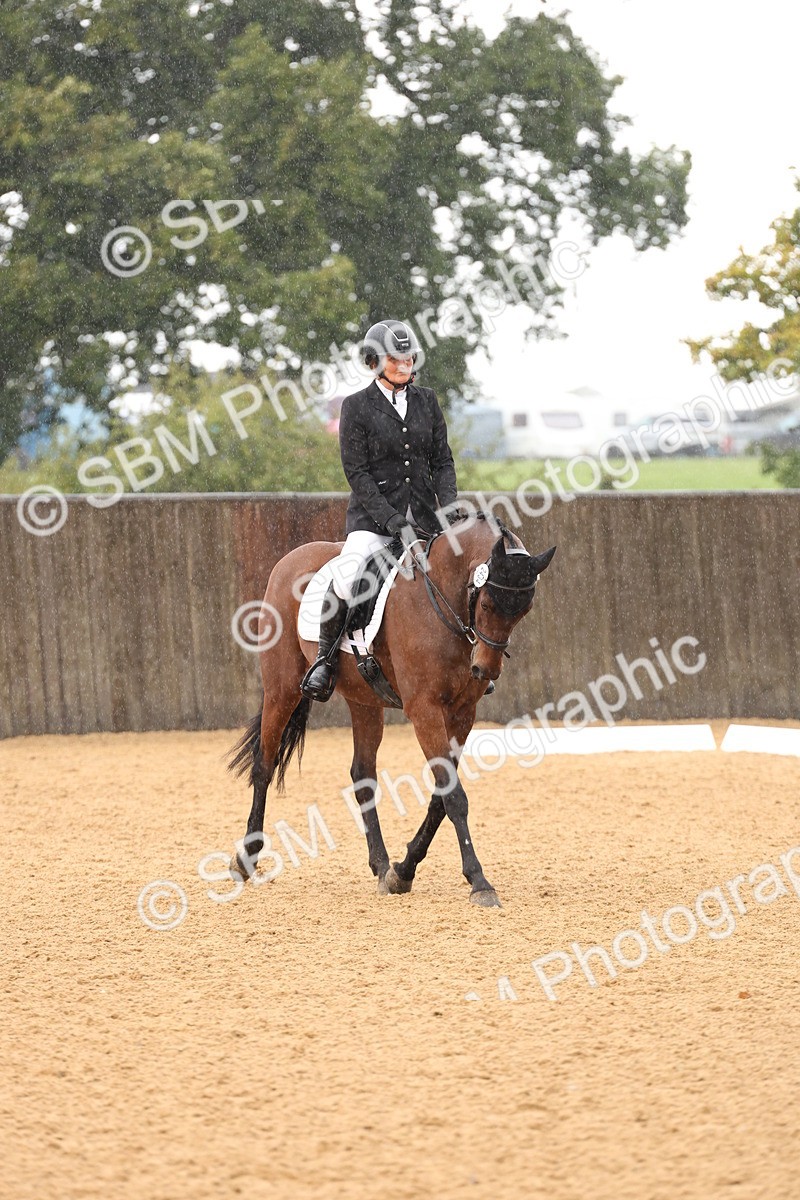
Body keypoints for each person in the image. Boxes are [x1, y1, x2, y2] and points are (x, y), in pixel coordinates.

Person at [300, 318, 467, 702]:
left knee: (462, 575)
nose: (404, 365)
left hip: (426, 519)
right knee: (347, 575)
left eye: (408, 358)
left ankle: (471, 661)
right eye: (395, 359)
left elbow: (442, 461)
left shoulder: (427, 401)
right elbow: (356, 473)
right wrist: (391, 521)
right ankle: (324, 662)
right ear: (374, 361)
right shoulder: (357, 407)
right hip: (373, 523)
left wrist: (450, 507)